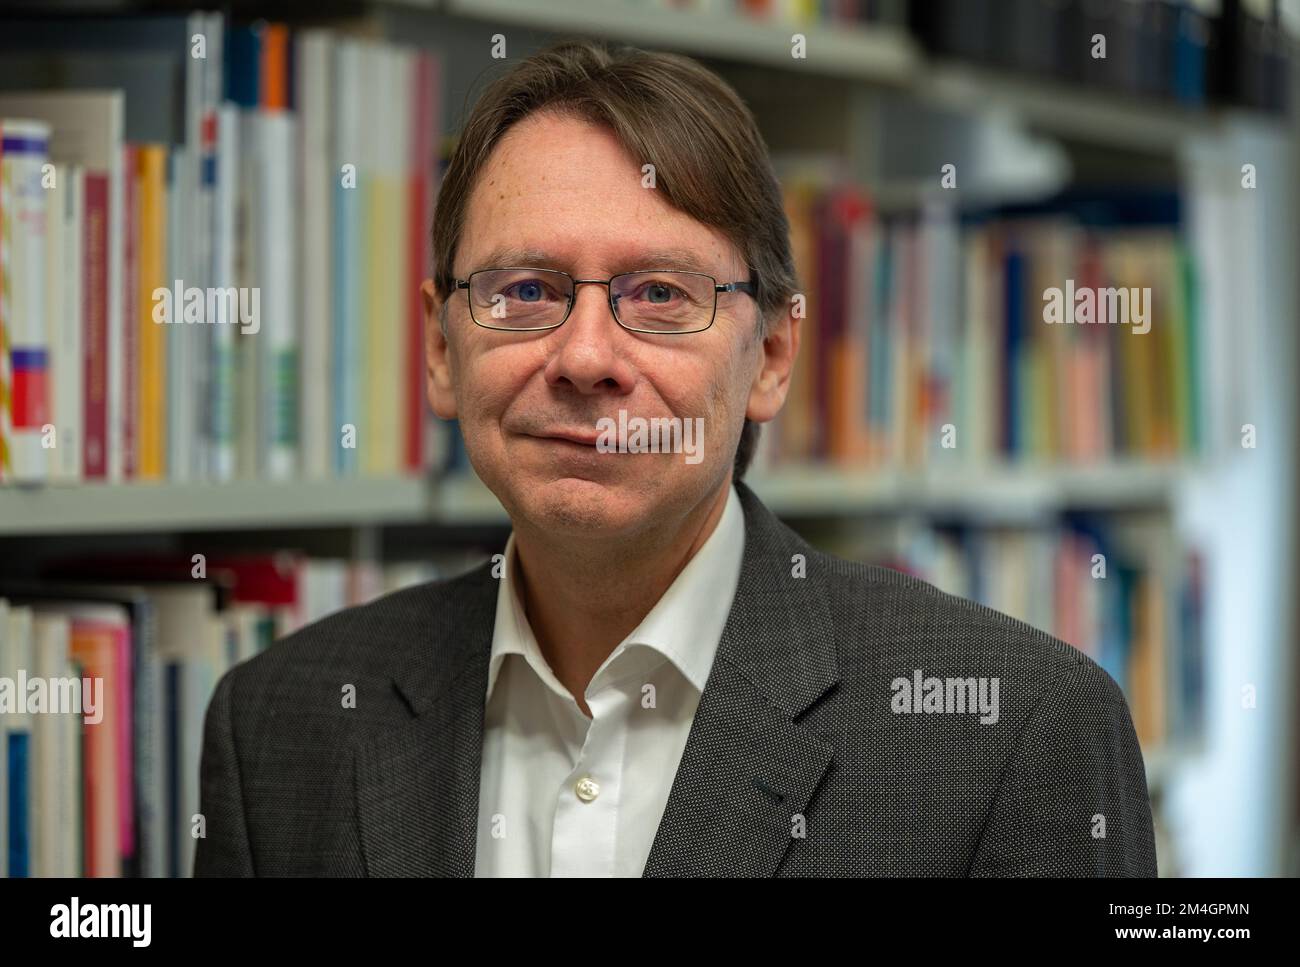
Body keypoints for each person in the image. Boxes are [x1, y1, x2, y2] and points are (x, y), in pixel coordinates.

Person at [195, 39, 1156, 877]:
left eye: (659, 294)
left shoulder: (1017, 733)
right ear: (443, 351)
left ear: (771, 357)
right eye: (525, 288)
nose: (584, 357)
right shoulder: (282, 722)